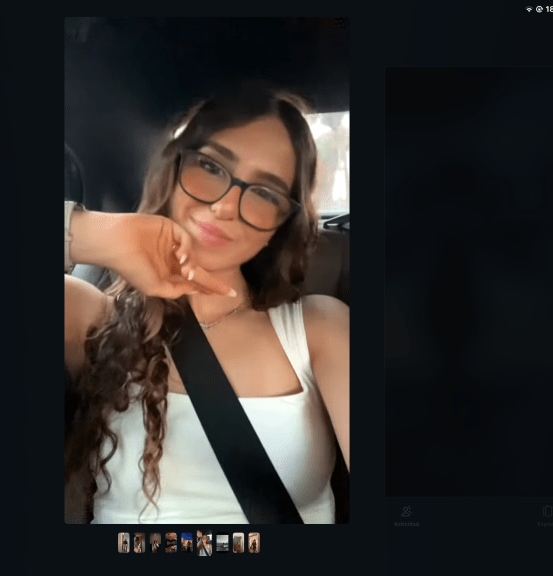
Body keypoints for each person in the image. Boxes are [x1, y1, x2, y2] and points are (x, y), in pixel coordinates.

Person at [64, 81, 350, 524]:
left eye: (265, 192)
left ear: (281, 224)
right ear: (172, 169)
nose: (226, 206)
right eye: (211, 167)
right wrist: (94, 234)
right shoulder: (90, 316)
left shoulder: (319, 329)